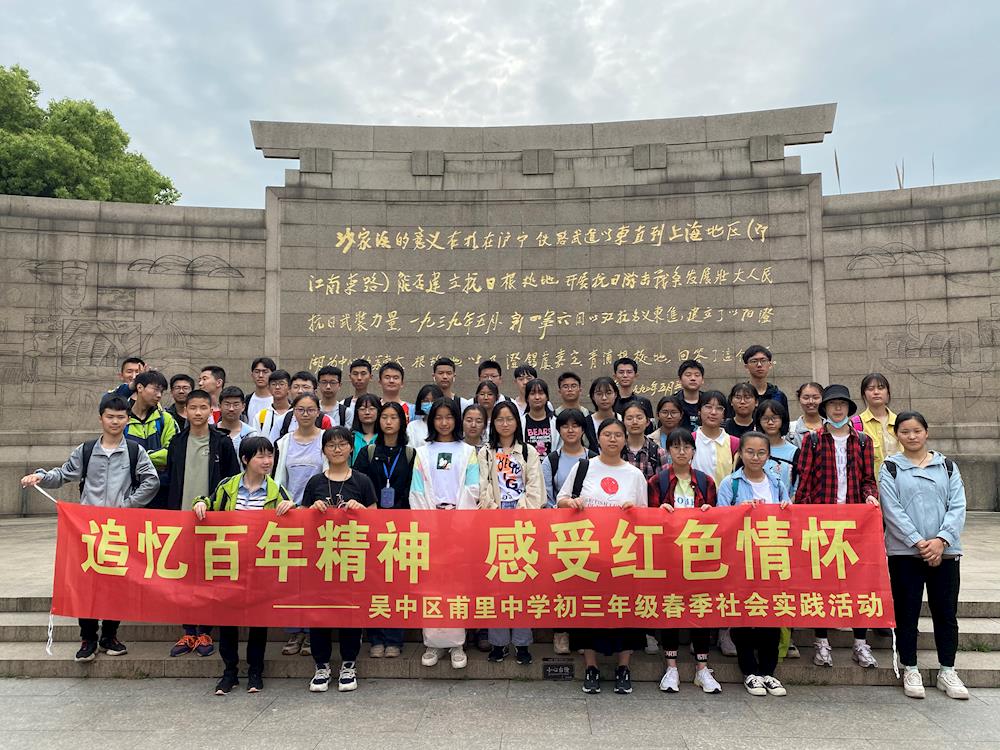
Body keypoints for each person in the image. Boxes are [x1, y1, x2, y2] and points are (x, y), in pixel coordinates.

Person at [21, 396, 159, 662]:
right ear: (101, 418)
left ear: (127, 420)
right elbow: (64, 474)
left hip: (118, 528)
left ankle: (110, 636)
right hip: (88, 529)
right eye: (110, 416)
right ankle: (88, 638)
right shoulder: (86, 450)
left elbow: (150, 481)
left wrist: (127, 505)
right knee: (86, 584)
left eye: (120, 417)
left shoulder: (135, 451)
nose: (115, 421)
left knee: (117, 582)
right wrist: (41, 476)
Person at [192, 436, 294, 695]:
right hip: (229, 564)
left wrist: (292, 506)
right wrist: (200, 503)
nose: (267, 461)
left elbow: (294, 520)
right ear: (245, 459)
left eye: (270, 455)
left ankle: (255, 671)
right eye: (261, 456)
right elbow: (208, 502)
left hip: (261, 567)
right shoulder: (227, 487)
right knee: (228, 620)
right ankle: (230, 672)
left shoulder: (277, 491)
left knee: (259, 621)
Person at [880, 411, 969, 700]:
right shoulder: (890, 468)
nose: (912, 436)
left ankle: (947, 670)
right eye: (905, 431)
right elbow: (891, 510)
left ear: (926, 432)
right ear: (897, 435)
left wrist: (941, 541)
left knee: (946, 613)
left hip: (946, 553)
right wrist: (919, 542)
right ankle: (910, 668)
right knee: (907, 613)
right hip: (905, 553)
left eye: (917, 430)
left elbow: (958, 506)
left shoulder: (947, 466)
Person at [557, 418, 648, 695]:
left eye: (618, 435)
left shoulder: (634, 474)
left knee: (625, 610)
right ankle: (591, 667)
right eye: (607, 434)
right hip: (587, 552)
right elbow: (561, 500)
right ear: (598, 438)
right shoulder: (584, 467)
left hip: (622, 553)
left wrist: (633, 510)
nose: (612, 439)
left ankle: (623, 667)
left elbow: (645, 516)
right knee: (589, 610)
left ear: (625, 439)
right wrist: (571, 503)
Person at [795, 384, 880, 669]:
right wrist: (803, 516)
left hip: (854, 524)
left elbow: (868, 479)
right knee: (821, 583)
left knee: (858, 583)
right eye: (833, 404)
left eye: (842, 404)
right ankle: (821, 642)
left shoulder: (863, 441)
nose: (838, 408)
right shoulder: (812, 440)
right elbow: (804, 482)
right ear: (825, 409)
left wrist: (870, 496)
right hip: (822, 523)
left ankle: (860, 642)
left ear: (849, 408)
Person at [300, 426, 379, 692]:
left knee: (350, 613)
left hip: (351, 557)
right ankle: (321, 666)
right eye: (331, 445)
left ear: (350, 448)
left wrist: (361, 510)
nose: (337, 449)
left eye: (342, 444)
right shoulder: (315, 482)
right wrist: (312, 510)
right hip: (321, 559)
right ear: (323, 450)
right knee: (319, 614)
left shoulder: (362, 481)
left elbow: (376, 521)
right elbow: (302, 521)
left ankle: (348, 664)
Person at [164, 388, 240, 658]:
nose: (198, 413)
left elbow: (232, 481)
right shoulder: (176, 442)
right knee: (184, 579)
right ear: (185, 411)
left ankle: (205, 631)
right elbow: (171, 479)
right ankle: (188, 631)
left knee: (209, 578)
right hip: (182, 520)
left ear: (211, 411)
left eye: (203, 408)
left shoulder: (222, 443)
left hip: (212, 521)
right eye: (193, 408)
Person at [717, 431, 791, 697]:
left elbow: (790, 517)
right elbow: (720, 520)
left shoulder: (777, 483)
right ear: (740, 453)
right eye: (750, 452)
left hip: (772, 558)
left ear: (768, 456)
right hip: (741, 560)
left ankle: (769, 672)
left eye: (761, 453)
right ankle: (749, 671)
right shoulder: (731, 483)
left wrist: (787, 507)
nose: (755, 457)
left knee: (771, 615)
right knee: (745, 615)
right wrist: (739, 511)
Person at [647, 428, 721, 694]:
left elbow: (717, 519)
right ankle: (671, 668)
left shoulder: (705, 481)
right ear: (667, 451)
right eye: (675, 447)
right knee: (672, 608)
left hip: (699, 557)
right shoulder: (657, 481)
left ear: (693, 451)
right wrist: (659, 512)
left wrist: (708, 512)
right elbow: (648, 520)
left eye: (686, 447)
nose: (681, 451)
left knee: (700, 609)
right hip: (668, 556)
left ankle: (702, 669)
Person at [410, 397, 480, 669]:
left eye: (449, 417)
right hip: (431, 527)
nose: (444, 422)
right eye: (438, 417)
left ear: (456, 420)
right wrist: (430, 524)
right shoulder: (422, 452)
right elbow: (417, 491)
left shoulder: (468, 451)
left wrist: (457, 523)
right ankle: (432, 643)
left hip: (459, 527)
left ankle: (456, 643)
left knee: (456, 586)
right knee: (432, 586)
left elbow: (472, 489)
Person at [478, 401, 545, 665]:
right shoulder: (485, 453)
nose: (504, 424)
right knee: (495, 585)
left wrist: (519, 512)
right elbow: (482, 486)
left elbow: (536, 488)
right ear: (493, 424)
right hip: (493, 523)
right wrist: (495, 510)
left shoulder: (528, 451)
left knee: (522, 586)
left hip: (523, 524)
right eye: (499, 419)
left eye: (509, 419)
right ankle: (498, 643)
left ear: (517, 421)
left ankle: (522, 642)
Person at [353, 402, 416, 659]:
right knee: (373, 582)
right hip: (372, 525)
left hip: (401, 528)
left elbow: (414, 488)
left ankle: (394, 639)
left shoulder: (410, 453)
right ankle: (376, 638)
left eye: (394, 417)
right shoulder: (368, 452)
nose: (389, 422)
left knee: (398, 585)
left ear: (402, 422)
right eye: (385, 417)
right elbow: (357, 484)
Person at [273, 392, 327, 657]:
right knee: (292, 577)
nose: (305, 414)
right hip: (290, 516)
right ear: (293, 412)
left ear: (318, 412)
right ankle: (295, 631)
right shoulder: (283, 443)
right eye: (300, 410)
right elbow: (278, 479)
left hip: (318, 515)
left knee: (315, 577)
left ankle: (311, 630)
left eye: (310, 409)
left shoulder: (326, 440)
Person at [124, 369, 177, 509]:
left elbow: (172, 452)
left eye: (161, 391)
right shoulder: (122, 420)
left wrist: (138, 457)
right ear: (140, 387)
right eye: (155, 389)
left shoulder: (165, 419)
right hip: (128, 490)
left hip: (161, 490)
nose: (159, 395)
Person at [855, 372, 898, 484]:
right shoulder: (856, 425)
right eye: (870, 388)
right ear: (864, 394)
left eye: (881, 388)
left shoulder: (900, 422)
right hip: (872, 488)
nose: (876, 392)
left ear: (888, 393)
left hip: (901, 486)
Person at [691, 391, 739, 487]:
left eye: (719, 408)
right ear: (699, 411)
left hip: (726, 496)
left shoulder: (735, 443)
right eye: (708, 407)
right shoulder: (689, 440)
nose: (713, 412)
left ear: (724, 414)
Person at [621, 402, 666, 482]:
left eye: (639, 418)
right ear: (623, 422)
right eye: (629, 418)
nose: (635, 422)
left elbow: (664, 483)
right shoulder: (617, 450)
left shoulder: (658, 452)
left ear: (647, 422)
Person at [522, 378, 560, 457]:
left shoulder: (556, 423)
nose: (537, 397)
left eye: (541, 393)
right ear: (527, 398)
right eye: (532, 393)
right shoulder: (520, 423)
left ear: (547, 397)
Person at [742, 345, 788, 410]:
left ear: (770, 365)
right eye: (754, 361)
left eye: (763, 360)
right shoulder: (738, 397)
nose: (759, 365)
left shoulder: (779, 396)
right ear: (746, 367)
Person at [612, 357, 653, 425]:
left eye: (629, 372)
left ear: (636, 376)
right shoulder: (610, 402)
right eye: (621, 372)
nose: (625, 375)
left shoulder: (644, 402)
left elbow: (649, 428)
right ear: (615, 376)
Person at [217, 386, 259, 452]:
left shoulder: (251, 434)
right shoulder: (211, 432)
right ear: (219, 407)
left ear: (243, 407)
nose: (231, 409)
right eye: (227, 404)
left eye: (236, 405)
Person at [256, 370, 292, 441]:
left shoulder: (296, 413)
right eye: (273, 384)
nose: (277, 387)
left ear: (289, 388)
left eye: (281, 384)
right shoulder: (261, 416)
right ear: (268, 388)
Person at [787, 382, 824, 448]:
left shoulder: (831, 427)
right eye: (806, 398)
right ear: (799, 399)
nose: (811, 401)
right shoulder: (790, 430)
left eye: (815, 398)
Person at [407, 384, 444, 448]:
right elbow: (410, 449)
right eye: (426, 401)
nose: (430, 404)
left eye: (434, 401)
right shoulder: (413, 426)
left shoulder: (445, 425)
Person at [587, 376, 619, 446]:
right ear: (593, 396)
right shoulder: (586, 423)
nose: (604, 398)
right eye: (599, 394)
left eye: (608, 393)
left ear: (615, 394)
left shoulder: (622, 420)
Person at [350, 393, 381, 463]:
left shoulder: (384, 437)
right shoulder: (351, 437)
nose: (367, 412)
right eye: (362, 409)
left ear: (378, 411)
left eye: (371, 409)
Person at [675, 359, 705, 430]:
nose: (693, 378)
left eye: (697, 375)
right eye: (688, 375)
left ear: (702, 380)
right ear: (680, 380)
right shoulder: (673, 402)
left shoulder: (708, 401)